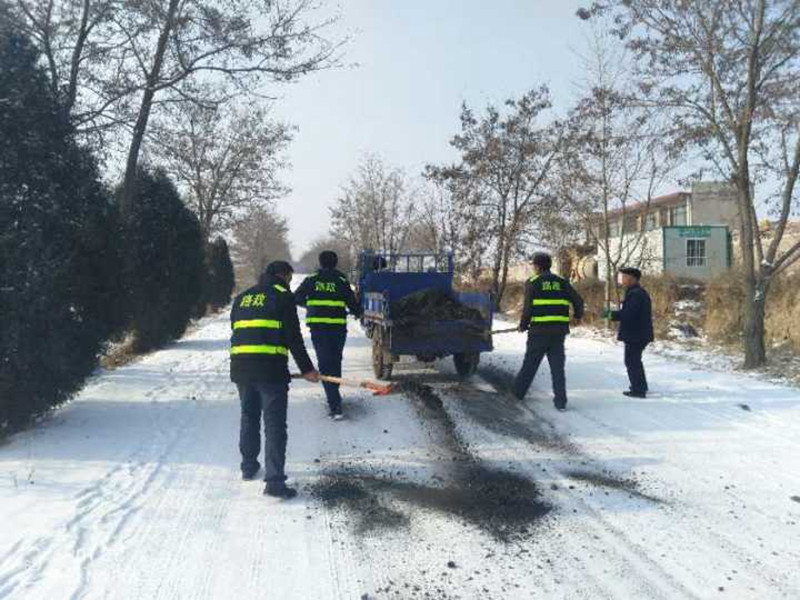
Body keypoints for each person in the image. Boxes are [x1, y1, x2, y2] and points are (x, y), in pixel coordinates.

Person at [230, 260, 319, 499]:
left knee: (249, 417)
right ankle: (275, 482)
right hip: (270, 372)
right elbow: (293, 338)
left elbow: (237, 333)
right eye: (289, 278)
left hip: (241, 369)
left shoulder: (243, 297)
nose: (290, 283)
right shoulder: (283, 297)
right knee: (274, 425)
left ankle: (249, 467)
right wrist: (308, 369)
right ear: (284, 275)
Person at [294, 251, 363, 420]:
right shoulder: (340, 280)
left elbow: (296, 297)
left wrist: (310, 304)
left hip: (318, 328)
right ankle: (335, 399)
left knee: (324, 362)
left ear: (320, 262)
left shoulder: (312, 280)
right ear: (336, 262)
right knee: (335, 361)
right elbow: (352, 303)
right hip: (337, 329)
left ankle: (334, 403)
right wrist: (358, 312)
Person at [513, 252, 585, 411]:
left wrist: (523, 325)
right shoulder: (562, 281)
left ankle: (517, 394)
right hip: (559, 333)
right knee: (558, 368)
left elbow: (528, 309)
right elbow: (579, 301)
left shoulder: (533, 282)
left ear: (537, 266)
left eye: (533, 265)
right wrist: (577, 316)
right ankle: (561, 402)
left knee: (530, 365)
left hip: (539, 332)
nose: (533, 268)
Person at [607, 267, 654, 398]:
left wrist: (612, 314)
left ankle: (638, 390)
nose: (622, 279)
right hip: (638, 333)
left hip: (637, 334)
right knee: (635, 360)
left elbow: (629, 314)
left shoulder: (636, 294)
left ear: (632, 279)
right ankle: (641, 386)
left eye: (624, 277)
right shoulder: (634, 292)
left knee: (632, 361)